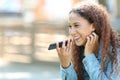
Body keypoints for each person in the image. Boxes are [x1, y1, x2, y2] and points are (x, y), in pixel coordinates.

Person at [55, 1, 120, 80]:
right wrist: (66, 65)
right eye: (70, 26)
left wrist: (89, 56)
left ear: (93, 26)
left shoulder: (115, 52)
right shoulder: (78, 50)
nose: (72, 32)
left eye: (76, 25)